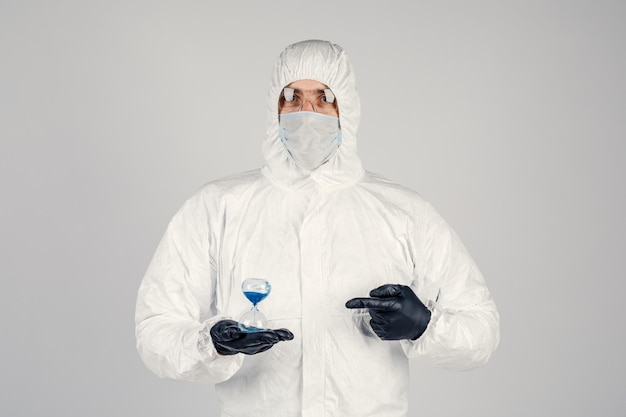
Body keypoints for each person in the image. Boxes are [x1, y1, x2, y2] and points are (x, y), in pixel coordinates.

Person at [135, 39, 500, 417]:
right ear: (273, 108)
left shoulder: (403, 213)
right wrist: (213, 344)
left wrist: (423, 325)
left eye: (324, 98)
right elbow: (156, 329)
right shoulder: (217, 208)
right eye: (291, 97)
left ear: (348, 108)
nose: (306, 113)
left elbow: (482, 331)